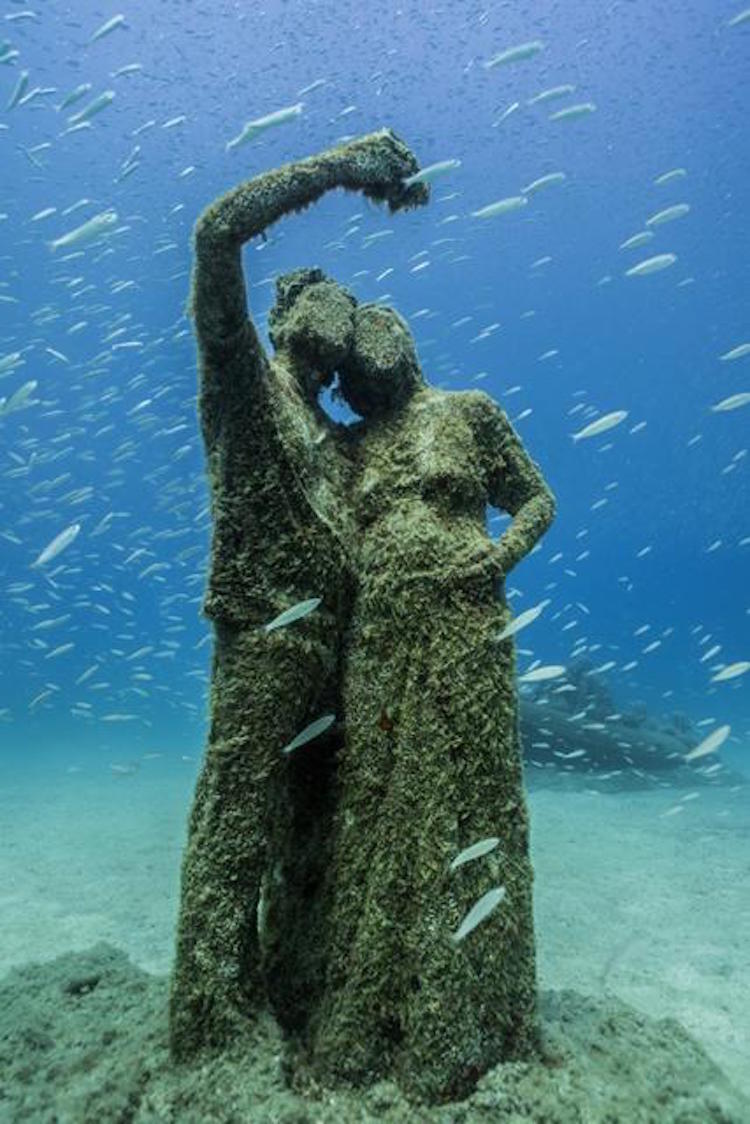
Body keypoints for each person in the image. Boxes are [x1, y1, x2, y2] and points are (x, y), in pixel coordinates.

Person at [169, 131, 427, 1061]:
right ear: (283, 315)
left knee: (317, 843)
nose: (339, 305)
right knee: (236, 830)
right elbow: (214, 233)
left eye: (348, 299)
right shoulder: (243, 379)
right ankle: (211, 1026)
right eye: (320, 291)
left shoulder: (340, 438)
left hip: (341, 662)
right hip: (263, 645)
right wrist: (339, 168)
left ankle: (300, 998)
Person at [306, 301, 556, 1100]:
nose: (376, 345)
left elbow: (536, 502)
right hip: (377, 634)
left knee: (465, 796)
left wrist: (496, 559)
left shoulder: (471, 412)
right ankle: (374, 1006)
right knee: (374, 799)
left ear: (411, 340)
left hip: (462, 617)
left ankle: (466, 1013)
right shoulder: (353, 444)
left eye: (386, 325)